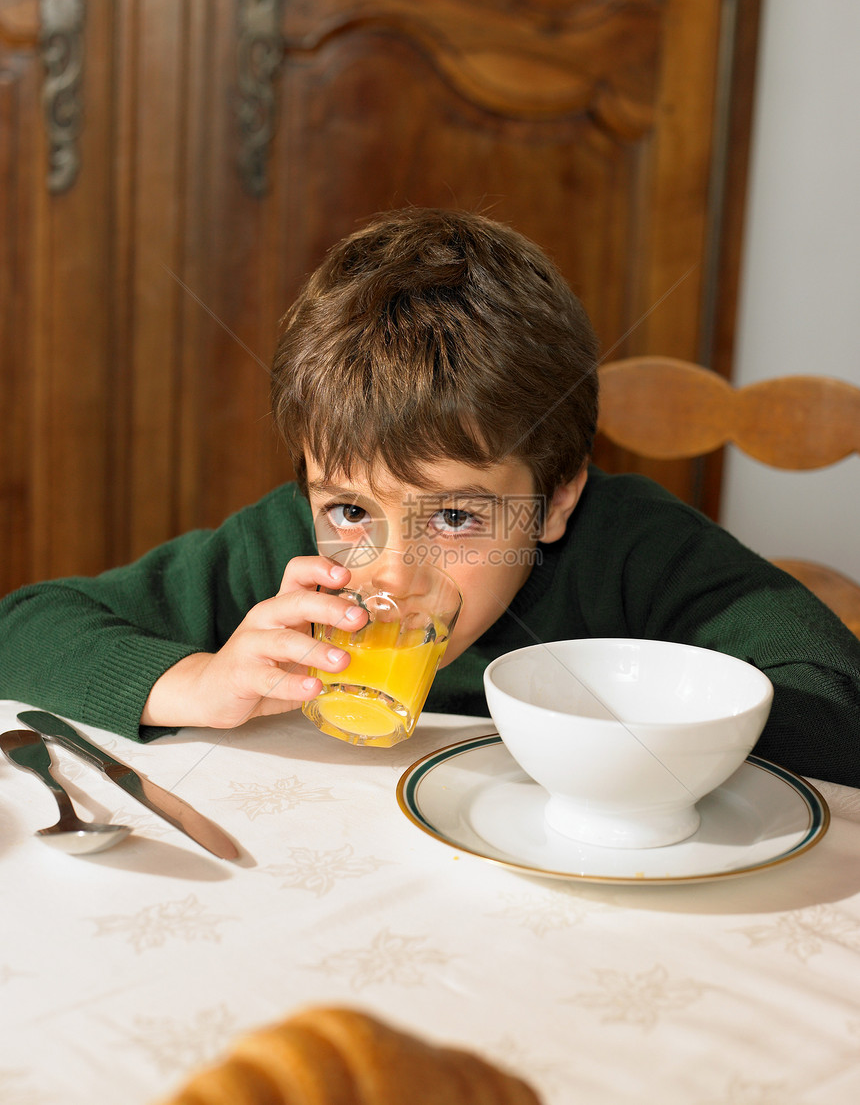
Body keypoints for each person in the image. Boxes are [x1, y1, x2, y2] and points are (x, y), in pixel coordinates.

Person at [1, 208, 859, 785]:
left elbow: (836, 702)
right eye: (349, 512)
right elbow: (23, 626)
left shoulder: (633, 548)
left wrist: (634, 735)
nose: (388, 574)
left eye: (454, 516)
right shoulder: (284, 558)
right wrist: (192, 681)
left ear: (555, 501)